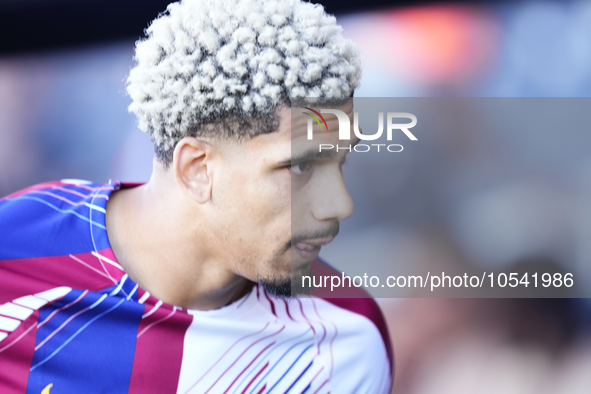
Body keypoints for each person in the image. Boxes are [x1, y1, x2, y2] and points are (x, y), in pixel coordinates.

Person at [0, 0, 392, 392]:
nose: (340, 205)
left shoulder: (347, 340)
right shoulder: (12, 252)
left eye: (339, 163)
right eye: (300, 167)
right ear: (197, 169)